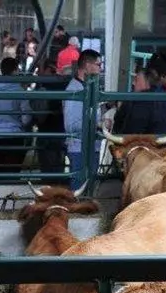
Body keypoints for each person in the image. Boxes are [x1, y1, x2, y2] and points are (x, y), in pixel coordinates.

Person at [64, 49, 103, 190]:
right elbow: (71, 125)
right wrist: (97, 125)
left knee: (87, 189)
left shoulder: (86, 87)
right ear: (87, 65)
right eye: (98, 65)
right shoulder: (74, 90)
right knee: (80, 190)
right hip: (79, 148)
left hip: (88, 146)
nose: (100, 69)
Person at [113, 67, 166, 135]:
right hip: (161, 139)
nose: (133, 83)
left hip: (133, 140)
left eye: (136, 80)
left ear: (147, 82)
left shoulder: (133, 100)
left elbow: (118, 125)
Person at [31, 61, 68, 183]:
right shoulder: (64, 86)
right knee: (58, 167)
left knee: (48, 169)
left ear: (47, 70)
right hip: (61, 133)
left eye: (40, 69)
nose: (38, 73)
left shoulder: (43, 88)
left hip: (47, 134)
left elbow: (39, 116)